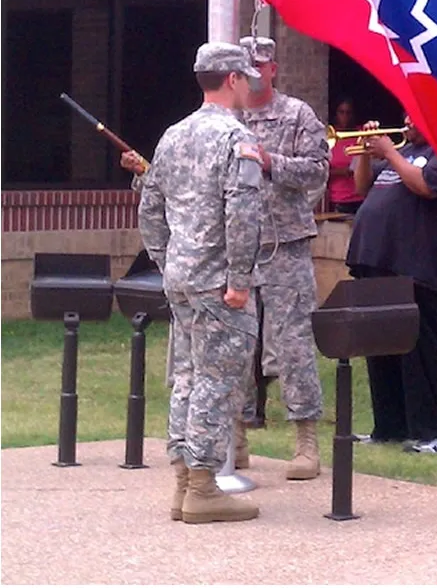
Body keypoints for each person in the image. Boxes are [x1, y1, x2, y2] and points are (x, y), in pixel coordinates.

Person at [137, 41, 264, 524]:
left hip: (182, 279)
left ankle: (183, 484)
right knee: (217, 382)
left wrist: (168, 260)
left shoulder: (173, 136)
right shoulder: (237, 138)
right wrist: (239, 278)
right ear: (231, 79)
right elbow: (243, 210)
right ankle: (204, 487)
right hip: (218, 283)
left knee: (188, 378)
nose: (249, 85)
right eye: (245, 77)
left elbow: (150, 207)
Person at [346, 112, 437, 454]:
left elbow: (425, 186)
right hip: (379, 261)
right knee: (381, 347)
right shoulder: (400, 156)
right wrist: (362, 152)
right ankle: (389, 427)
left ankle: (432, 434)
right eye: (404, 118)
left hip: (423, 268)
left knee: (423, 352)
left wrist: (389, 152)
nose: (406, 124)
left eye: (414, 118)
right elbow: (361, 187)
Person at [233, 35, 330, 480]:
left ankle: (305, 441)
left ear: (273, 68)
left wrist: (272, 162)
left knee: (293, 345)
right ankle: (235, 436)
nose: (254, 76)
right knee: (235, 344)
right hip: (237, 247)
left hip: (286, 246)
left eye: (261, 67)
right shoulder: (223, 117)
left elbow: (318, 169)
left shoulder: (296, 115)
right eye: (246, 69)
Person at [326, 97, 366, 215]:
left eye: (348, 113)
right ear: (335, 114)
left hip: (362, 197)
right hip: (340, 198)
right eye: (341, 112)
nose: (345, 116)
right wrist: (342, 172)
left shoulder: (361, 132)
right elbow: (320, 171)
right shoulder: (330, 137)